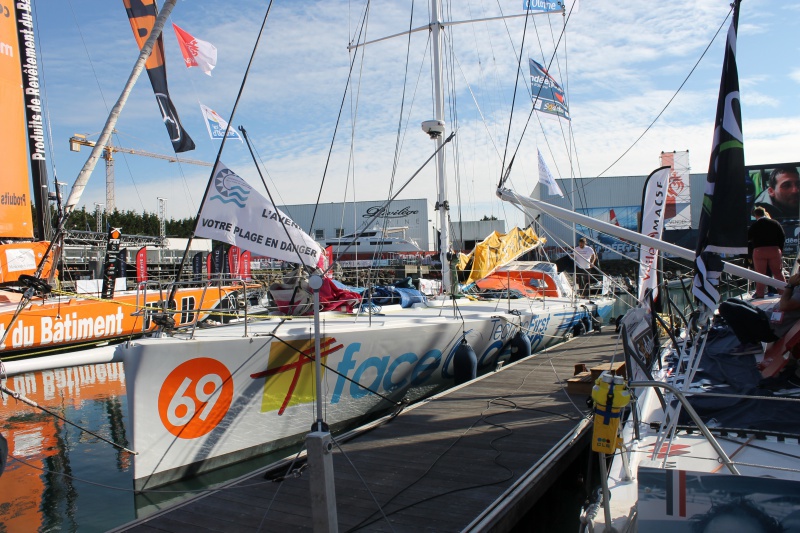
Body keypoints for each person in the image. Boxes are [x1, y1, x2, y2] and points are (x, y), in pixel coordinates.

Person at [748, 206, 786, 298]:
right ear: (764, 213)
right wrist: (779, 249)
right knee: (778, 272)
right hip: (774, 250)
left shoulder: (754, 226)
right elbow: (782, 237)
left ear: (756, 215)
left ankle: (760, 293)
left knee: (760, 274)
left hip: (759, 251)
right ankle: (784, 292)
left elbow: (748, 237)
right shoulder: (775, 223)